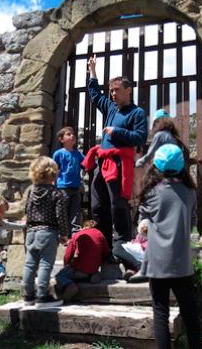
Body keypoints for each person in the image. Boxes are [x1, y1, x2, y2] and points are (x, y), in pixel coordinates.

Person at [139, 144, 202, 349]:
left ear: (157, 165)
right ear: (181, 165)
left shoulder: (151, 192)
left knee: (160, 312)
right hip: (181, 261)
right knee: (189, 310)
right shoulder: (190, 192)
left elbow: (143, 225)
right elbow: (192, 221)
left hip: (157, 262)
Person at [82, 55, 147, 249]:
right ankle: (104, 247)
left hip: (118, 165)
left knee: (117, 206)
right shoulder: (111, 107)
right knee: (97, 206)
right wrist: (92, 72)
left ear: (128, 90)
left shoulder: (137, 113)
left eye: (117, 90)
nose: (112, 94)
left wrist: (117, 132)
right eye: (111, 91)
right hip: (102, 164)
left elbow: (140, 138)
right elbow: (94, 94)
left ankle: (122, 248)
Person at [22, 156, 69, 308]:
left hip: (31, 232)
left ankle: (28, 295)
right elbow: (60, 215)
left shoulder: (31, 191)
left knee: (29, 264)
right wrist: (63, 234)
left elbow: (27, 210)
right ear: (53, 173)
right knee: (45, 264)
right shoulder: (57, 194)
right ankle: (42, 296)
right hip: (48, 232)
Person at [54, 219, 109, 302]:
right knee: (87, 270)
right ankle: (91, 275)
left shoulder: (78, 234)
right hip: (94, 267)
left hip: (79, 268)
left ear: (85, 226)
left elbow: (68, 255)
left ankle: (70, 285)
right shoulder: (100, 234)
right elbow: (106, 252)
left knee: (59, 276)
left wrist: (67, 266)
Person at [52, 126, 85, 237]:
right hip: (62, 187)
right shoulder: (58, 154)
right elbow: (53, 169)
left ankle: (75, 233)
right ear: (62, 140)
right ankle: (63, 234)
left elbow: (85, 163)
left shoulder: (78, 154)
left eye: (73, 134)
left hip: (75, 187)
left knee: (75, 211)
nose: (72, 136)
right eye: (68, 134)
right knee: (62, 211)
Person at [113, 219, 149, 283]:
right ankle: (132, 272)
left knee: (118, 247)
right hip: (142, 252)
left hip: (144, 253)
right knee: (122, 250)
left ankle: (140, 267)